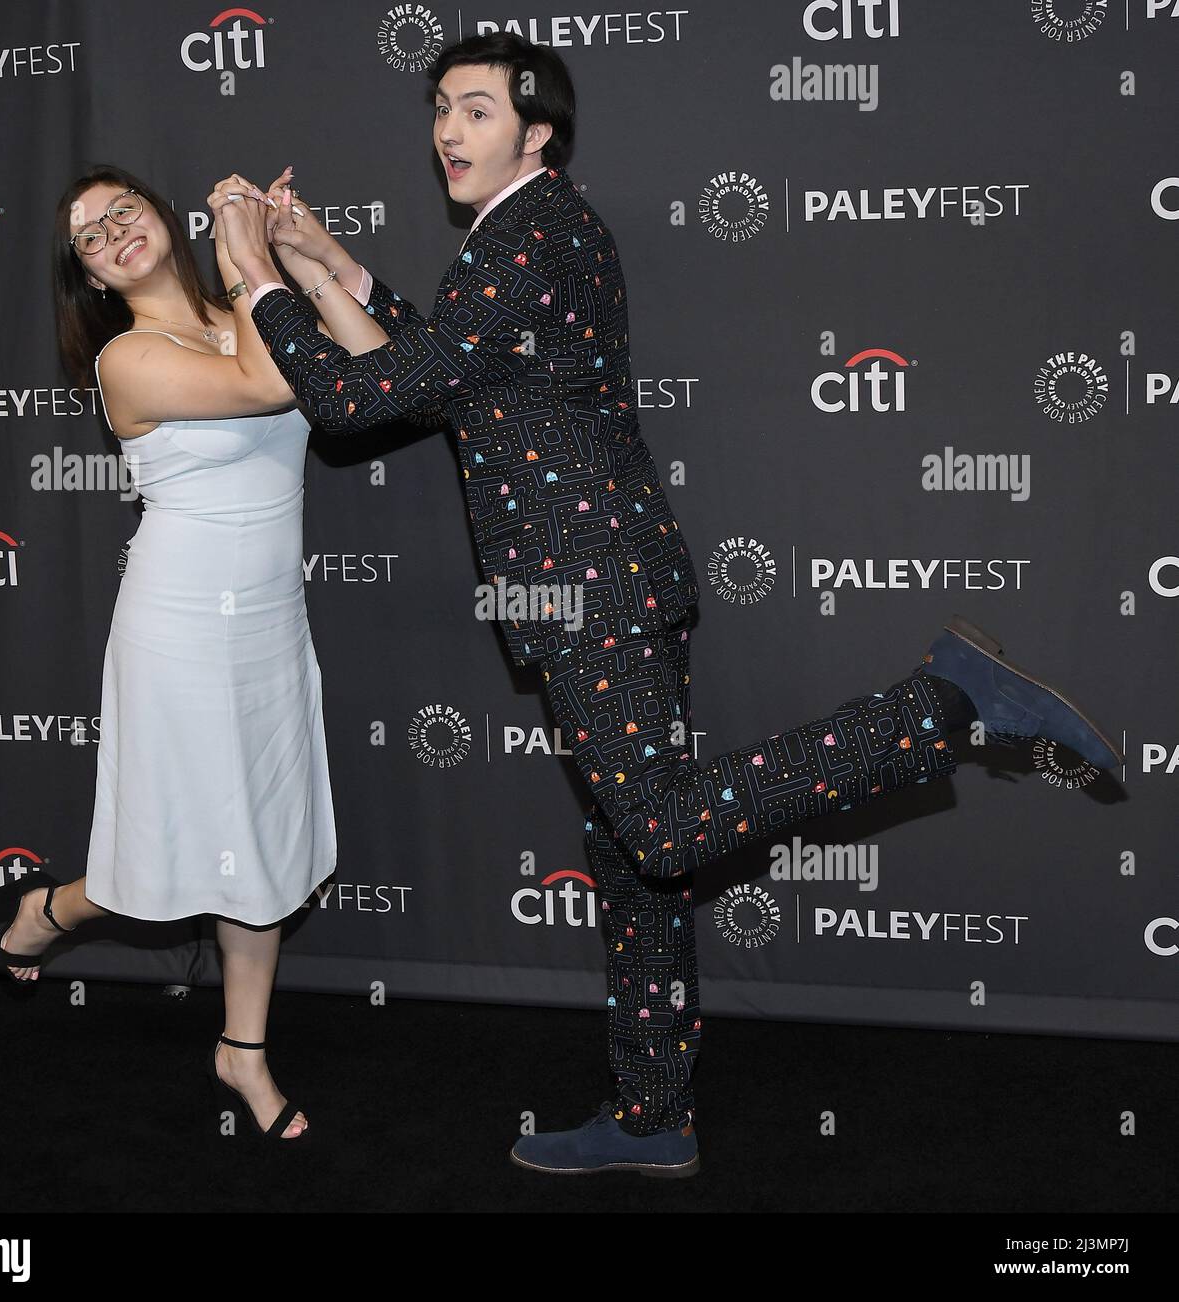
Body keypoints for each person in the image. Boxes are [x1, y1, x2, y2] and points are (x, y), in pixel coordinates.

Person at [214, 33, 1123, 1175]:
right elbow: (445, 372)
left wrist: (253, 274)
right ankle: (652, 1114)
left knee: (659, 827)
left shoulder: (532, 234)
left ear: (535, 132)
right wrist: (321, 259)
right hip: (597, 579)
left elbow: (359, 403)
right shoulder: (526, 234)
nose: (450, 130)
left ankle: (942, 704)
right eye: (442, 106)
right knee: (639, 859)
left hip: (590, 583)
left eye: (480, 110)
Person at [0, 164, 358, 1143]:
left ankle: (242, 1050)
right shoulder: (126, 360)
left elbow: (367, 351)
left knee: (263, 845)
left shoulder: (242, 301)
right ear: (92, 279)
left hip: (271, 622)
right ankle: (53, 911)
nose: (112, 234)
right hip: (183, 631)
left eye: (123, 211)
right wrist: (249, 255)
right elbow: (273, 377)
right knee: (154, 863)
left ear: (159, 213)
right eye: (89, 237)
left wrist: (301, 243)